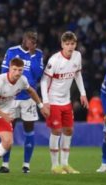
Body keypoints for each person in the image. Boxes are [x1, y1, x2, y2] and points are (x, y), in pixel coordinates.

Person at [40, 31, 88, 174]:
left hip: (66, 101)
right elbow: (44, 81)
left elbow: (77, 74)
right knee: (56, 131)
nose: (70, 46)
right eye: (67, 44)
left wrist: (83, 93)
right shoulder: (54, 60)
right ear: (62, 45)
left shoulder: (77, 56)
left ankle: (65, 164)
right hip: (53, 100)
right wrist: (46, 101)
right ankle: (55, 166)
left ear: (76, 44)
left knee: (68, 130)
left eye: (72, 43)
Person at [0, 29, 44, 174]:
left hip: (28, 98)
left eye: (35, 40)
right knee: (8, 130)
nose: (33, 42)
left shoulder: (38, 54)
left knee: (29, 130)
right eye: (30, 39)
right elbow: (3, 72)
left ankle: (26, 165)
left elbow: (38, 74)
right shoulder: (11, 51)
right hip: (12, 98)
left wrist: (32, 55)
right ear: (24, 39)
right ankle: (5, 165)